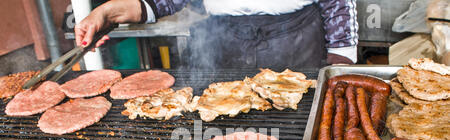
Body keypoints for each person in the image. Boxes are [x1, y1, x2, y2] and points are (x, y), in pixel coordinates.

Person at [75, 0, 358, 69]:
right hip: (224, 41)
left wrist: (341, 60)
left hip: (297, 40)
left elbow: (338, 2)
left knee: (300, 126)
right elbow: (162, 2)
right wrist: (108, 12)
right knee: (226, 132)